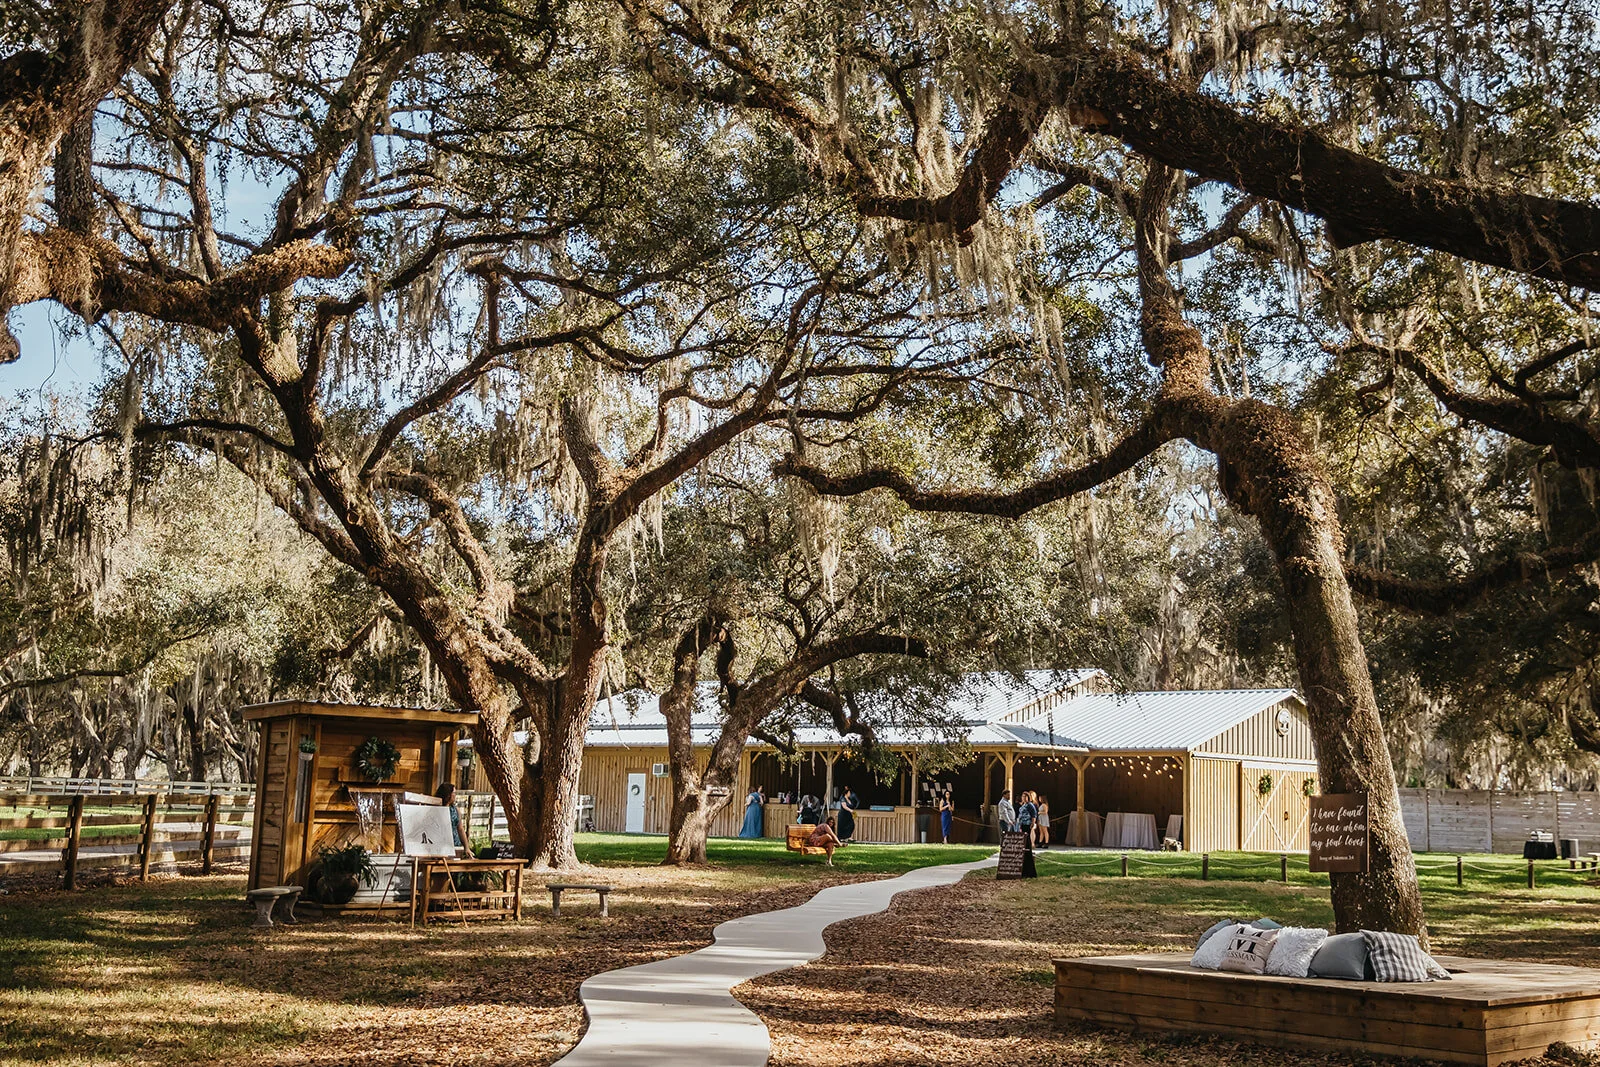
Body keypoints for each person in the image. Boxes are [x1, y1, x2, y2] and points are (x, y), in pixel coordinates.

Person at [437, 782, 469, 856]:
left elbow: (460, 829)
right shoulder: (437, 809)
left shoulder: (455, 810)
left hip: (455, 845)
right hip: (441, 846)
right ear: (448, 794)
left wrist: (466, 847)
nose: (455, 795)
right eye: (454, 793)